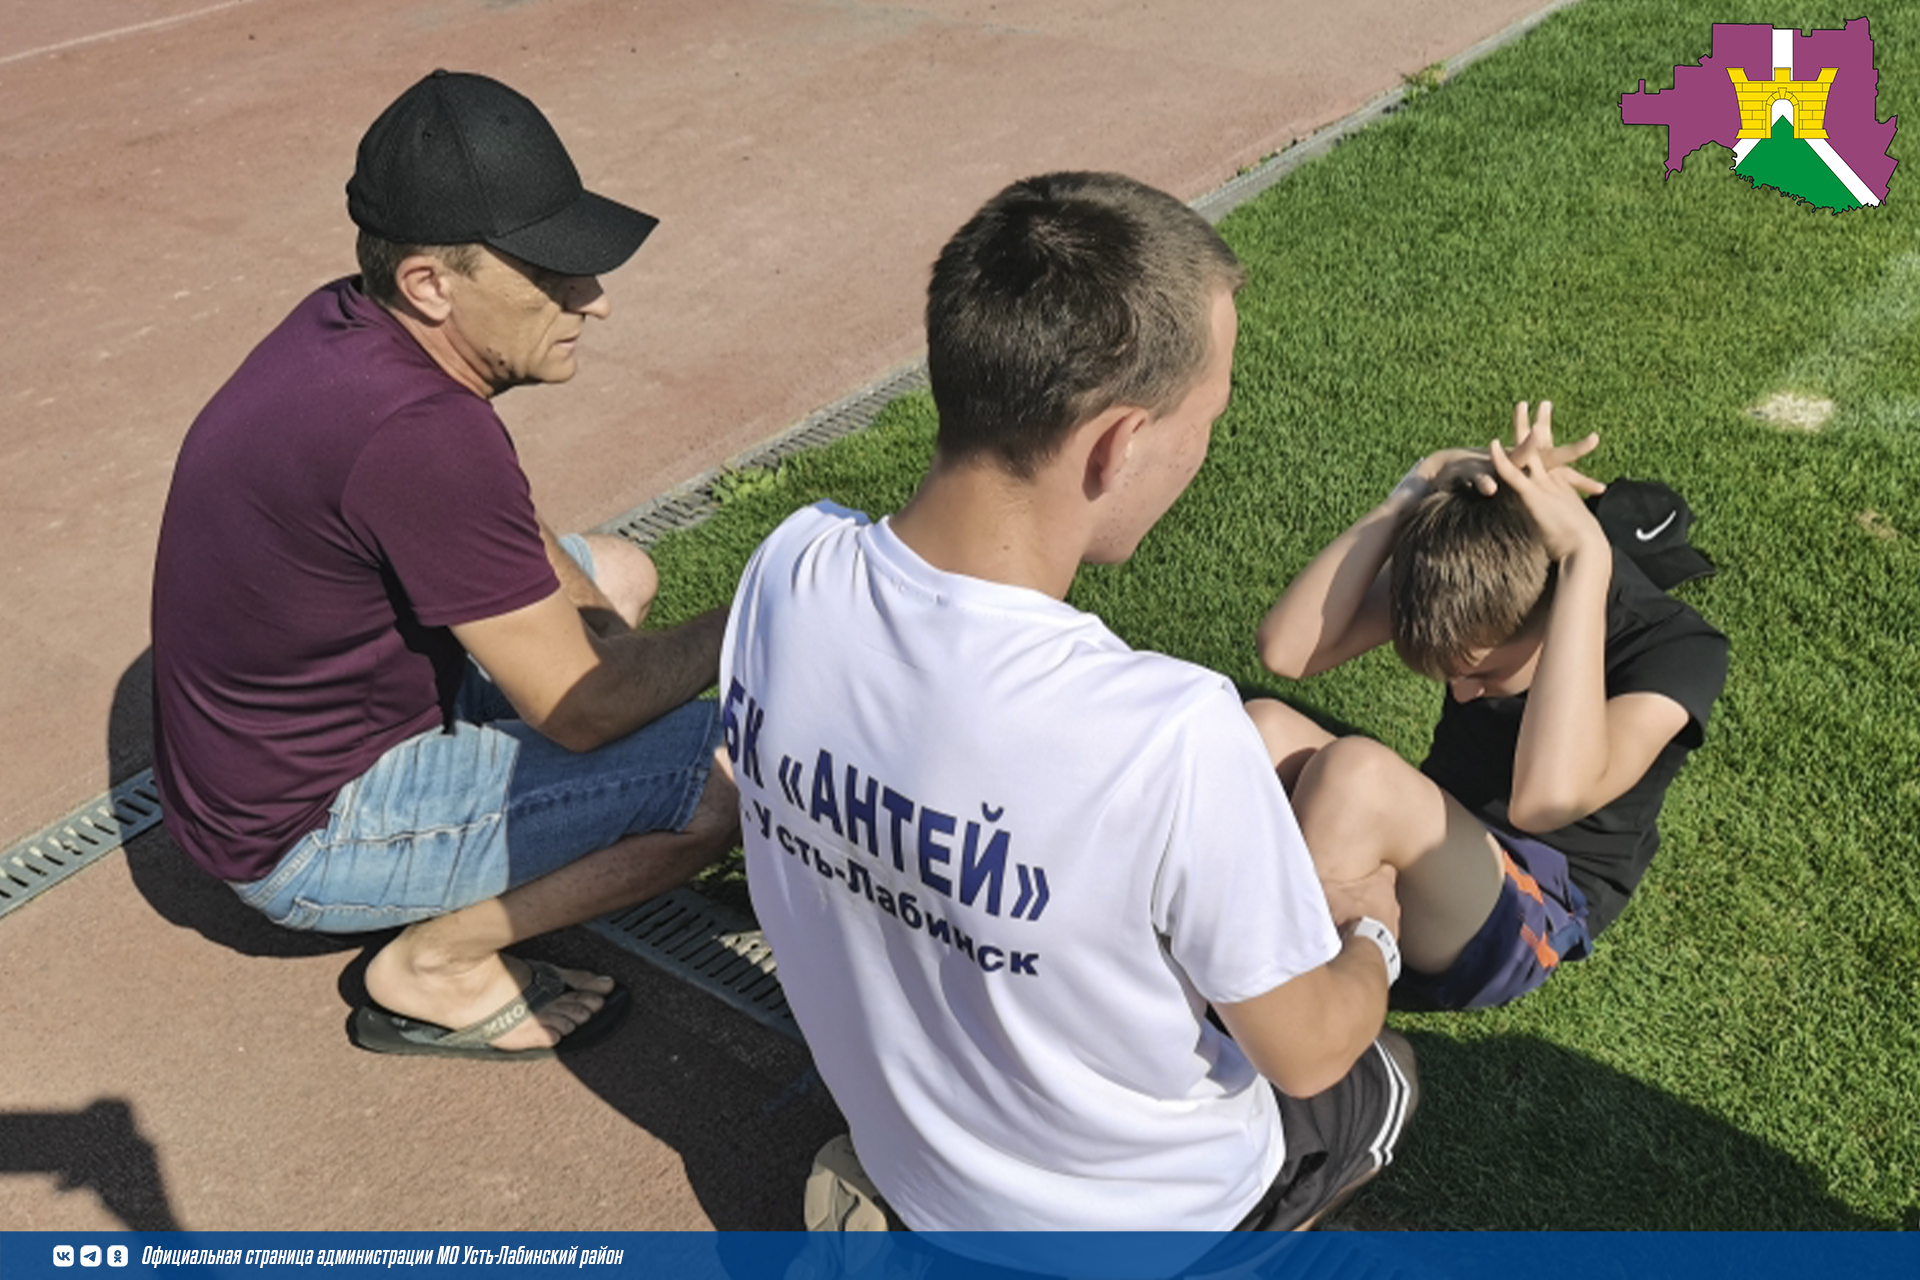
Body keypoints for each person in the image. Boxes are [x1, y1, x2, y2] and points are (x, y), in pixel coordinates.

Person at [719, 172, 1415, 1264]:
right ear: (1116, 444)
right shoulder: (1171, 728)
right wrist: (1372, 926)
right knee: (1382, 1080)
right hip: (1146, 1222)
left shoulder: (787, 567)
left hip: (917, 1165)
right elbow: (1308, 1052)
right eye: (1209, 417)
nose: (1206, 448)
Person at [151, 70, 737, 1059]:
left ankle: (522, 839)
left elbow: (509, 531)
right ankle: (435, 963)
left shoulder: (353, 325)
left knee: (622, 578)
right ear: (430, 280)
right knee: (719, 783)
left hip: (267, 755)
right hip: (305, 830)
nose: (593, 302)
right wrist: (764, 607)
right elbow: (580, 708)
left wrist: (605, 647)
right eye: (554, 273)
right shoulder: (419, 433)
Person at [1250, 403, 1729, 1011]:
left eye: (1483, 674)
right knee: (1260, 728)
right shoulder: (1489, 580)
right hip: (1441, 838)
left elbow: (1544, 799)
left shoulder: (1675, 649)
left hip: (1531, 904)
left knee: (1355, 776)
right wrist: (1421, 481)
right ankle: (1203, 946)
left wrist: (1586, 558)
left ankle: (1294, 1027)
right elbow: (1287, 651)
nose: (1461, 694)